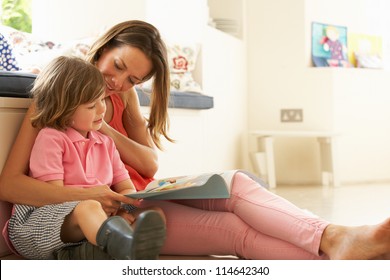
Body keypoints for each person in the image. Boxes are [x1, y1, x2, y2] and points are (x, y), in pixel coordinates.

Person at [1, 20, 390, 260]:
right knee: (236, 232)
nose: (118, 84)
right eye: (117, 67)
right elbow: (12, 184)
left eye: (133, 79)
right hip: (115, 211)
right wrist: (101, 191)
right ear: (102, 49)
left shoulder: (122, 99)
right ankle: (339, 255)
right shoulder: (59, 98)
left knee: (234, 183)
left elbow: (149, 166)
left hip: (139, 195)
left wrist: (102, 127)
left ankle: (336, 236)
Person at [4, 56, 166, 260]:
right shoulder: (51, 138)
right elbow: (55, 196)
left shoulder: (106, 143)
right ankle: (122, 246)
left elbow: (125, 187)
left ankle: (102, 249)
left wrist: (123, 206)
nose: (102, 109)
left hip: (91, 220)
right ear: (65, 110)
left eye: (101, 100)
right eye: (91, 106)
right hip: (42, 223)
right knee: (88, 208)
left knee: (153, 212)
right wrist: (97, 202)